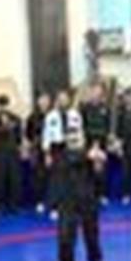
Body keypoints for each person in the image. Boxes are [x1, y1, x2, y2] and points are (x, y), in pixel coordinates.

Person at [54, 126, 106, 261]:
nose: (73, 139)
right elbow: (72, 160)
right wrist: (89, 155)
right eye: (70, 137)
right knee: (66, 236)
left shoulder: (90, 155)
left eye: (76, 137)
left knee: (92, 234)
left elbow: (98, 178)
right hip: (67, 201)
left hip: (88, 199)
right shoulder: (61, 154)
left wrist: (98, 165)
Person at [43, 89, 83, 221]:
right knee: (57, 179)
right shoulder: (51, 116)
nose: (63, 101)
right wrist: (47, 154)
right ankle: (55, 207)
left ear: (69, 100)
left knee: (73, 179)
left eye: (65, 99)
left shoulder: (75, 115)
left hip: (72, 148)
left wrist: (80, 148)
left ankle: (74, 207)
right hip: (57, 148)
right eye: (60, 99)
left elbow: (80, 131)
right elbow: (46, 136)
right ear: (57, 100)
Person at [0, 95, 22, 215]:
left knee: (14, 179)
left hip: (12, 152)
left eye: (5, 104)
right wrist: (2, 129)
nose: (3, 107)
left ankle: (13, 204)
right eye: (1, 105)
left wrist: (18, 148)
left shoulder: (16, 119)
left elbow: (19, 137)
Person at [79, 83, 111, 203]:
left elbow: (107, 126)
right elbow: (83, 125)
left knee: (101, 170)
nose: (96, 94)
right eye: (94, 91)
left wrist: (102, 141)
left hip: (102, 142)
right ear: (90, 92)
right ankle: (89, 195)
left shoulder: (105, 108)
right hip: (88, 142)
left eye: (98, 92)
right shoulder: (84, 108)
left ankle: (101, 194)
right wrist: (91, 143)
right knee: (88, 170)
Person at [25, 91, 52, 214]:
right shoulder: (32, 117)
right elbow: (28, 134)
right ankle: (40, 201)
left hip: (52, 150)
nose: (44, 103)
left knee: (52, 177)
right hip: (38, 150)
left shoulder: (54, 115)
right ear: (38, 102)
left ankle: (52, 202)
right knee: (39, 177)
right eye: (42, 101)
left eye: (46, 101)